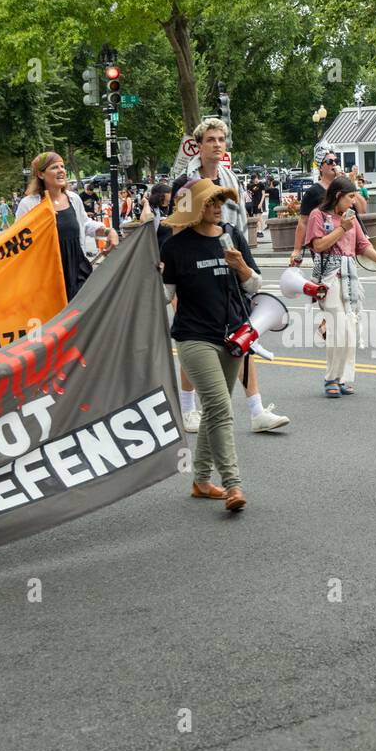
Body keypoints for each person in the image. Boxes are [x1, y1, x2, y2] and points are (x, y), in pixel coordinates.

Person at [175, 118, 290, 433]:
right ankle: (188, 409)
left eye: (221, 139)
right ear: (198, 145)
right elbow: (177, 227)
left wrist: (242, 261)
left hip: (227, 264)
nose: (217, 144)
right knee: (195, 339)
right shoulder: (185, 179)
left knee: (241, 339)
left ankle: (256, 412)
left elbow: (237, 222)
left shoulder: (229, 177)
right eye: (210, 139)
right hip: (195, 270)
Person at [159, 178, 260, 512]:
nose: (218, 208)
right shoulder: (176, 247)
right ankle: (233, 484)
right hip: (193, 337)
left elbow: (254, 286)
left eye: (220, 202)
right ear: (193, 208)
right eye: (211, 202)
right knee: (220, 408)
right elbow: (166, 295)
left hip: (231, 337)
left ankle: (201, 481)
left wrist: (241, 266)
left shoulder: (232, 237)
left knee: (214, 412)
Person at [305, 176, 376, 397]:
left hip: (350, 277)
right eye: (351, 197)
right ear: (338, 195)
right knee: (339, 328)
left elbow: (363, 245)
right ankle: (330, 378)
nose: (353, 202)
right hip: (329, 277)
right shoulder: (318, 215)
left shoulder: (351, 218)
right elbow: (318, 245)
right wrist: (341, 228)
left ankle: (344, 378)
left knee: (350, 330)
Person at [15, 151, 117, 301]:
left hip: (78, 270)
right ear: (41, 175)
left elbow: (86, 224)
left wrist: (109, 231)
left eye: (62, 166)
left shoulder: (73, 198)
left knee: (82, 317)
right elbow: (19, 240)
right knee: (58, 321)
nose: (61, 170)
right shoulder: (29, 204)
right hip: (48, 276)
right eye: (54, 167)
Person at [291, 154, 341, 264]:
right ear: (320, 168)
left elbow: (361, 209)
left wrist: (344, 181)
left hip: (343, 240)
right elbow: (303, 221)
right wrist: (297, 250)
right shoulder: (312, 192)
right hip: (323, 243)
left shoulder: (343, 188)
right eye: (329, 161)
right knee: (326, 278)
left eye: (336, 161)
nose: (334, 164)